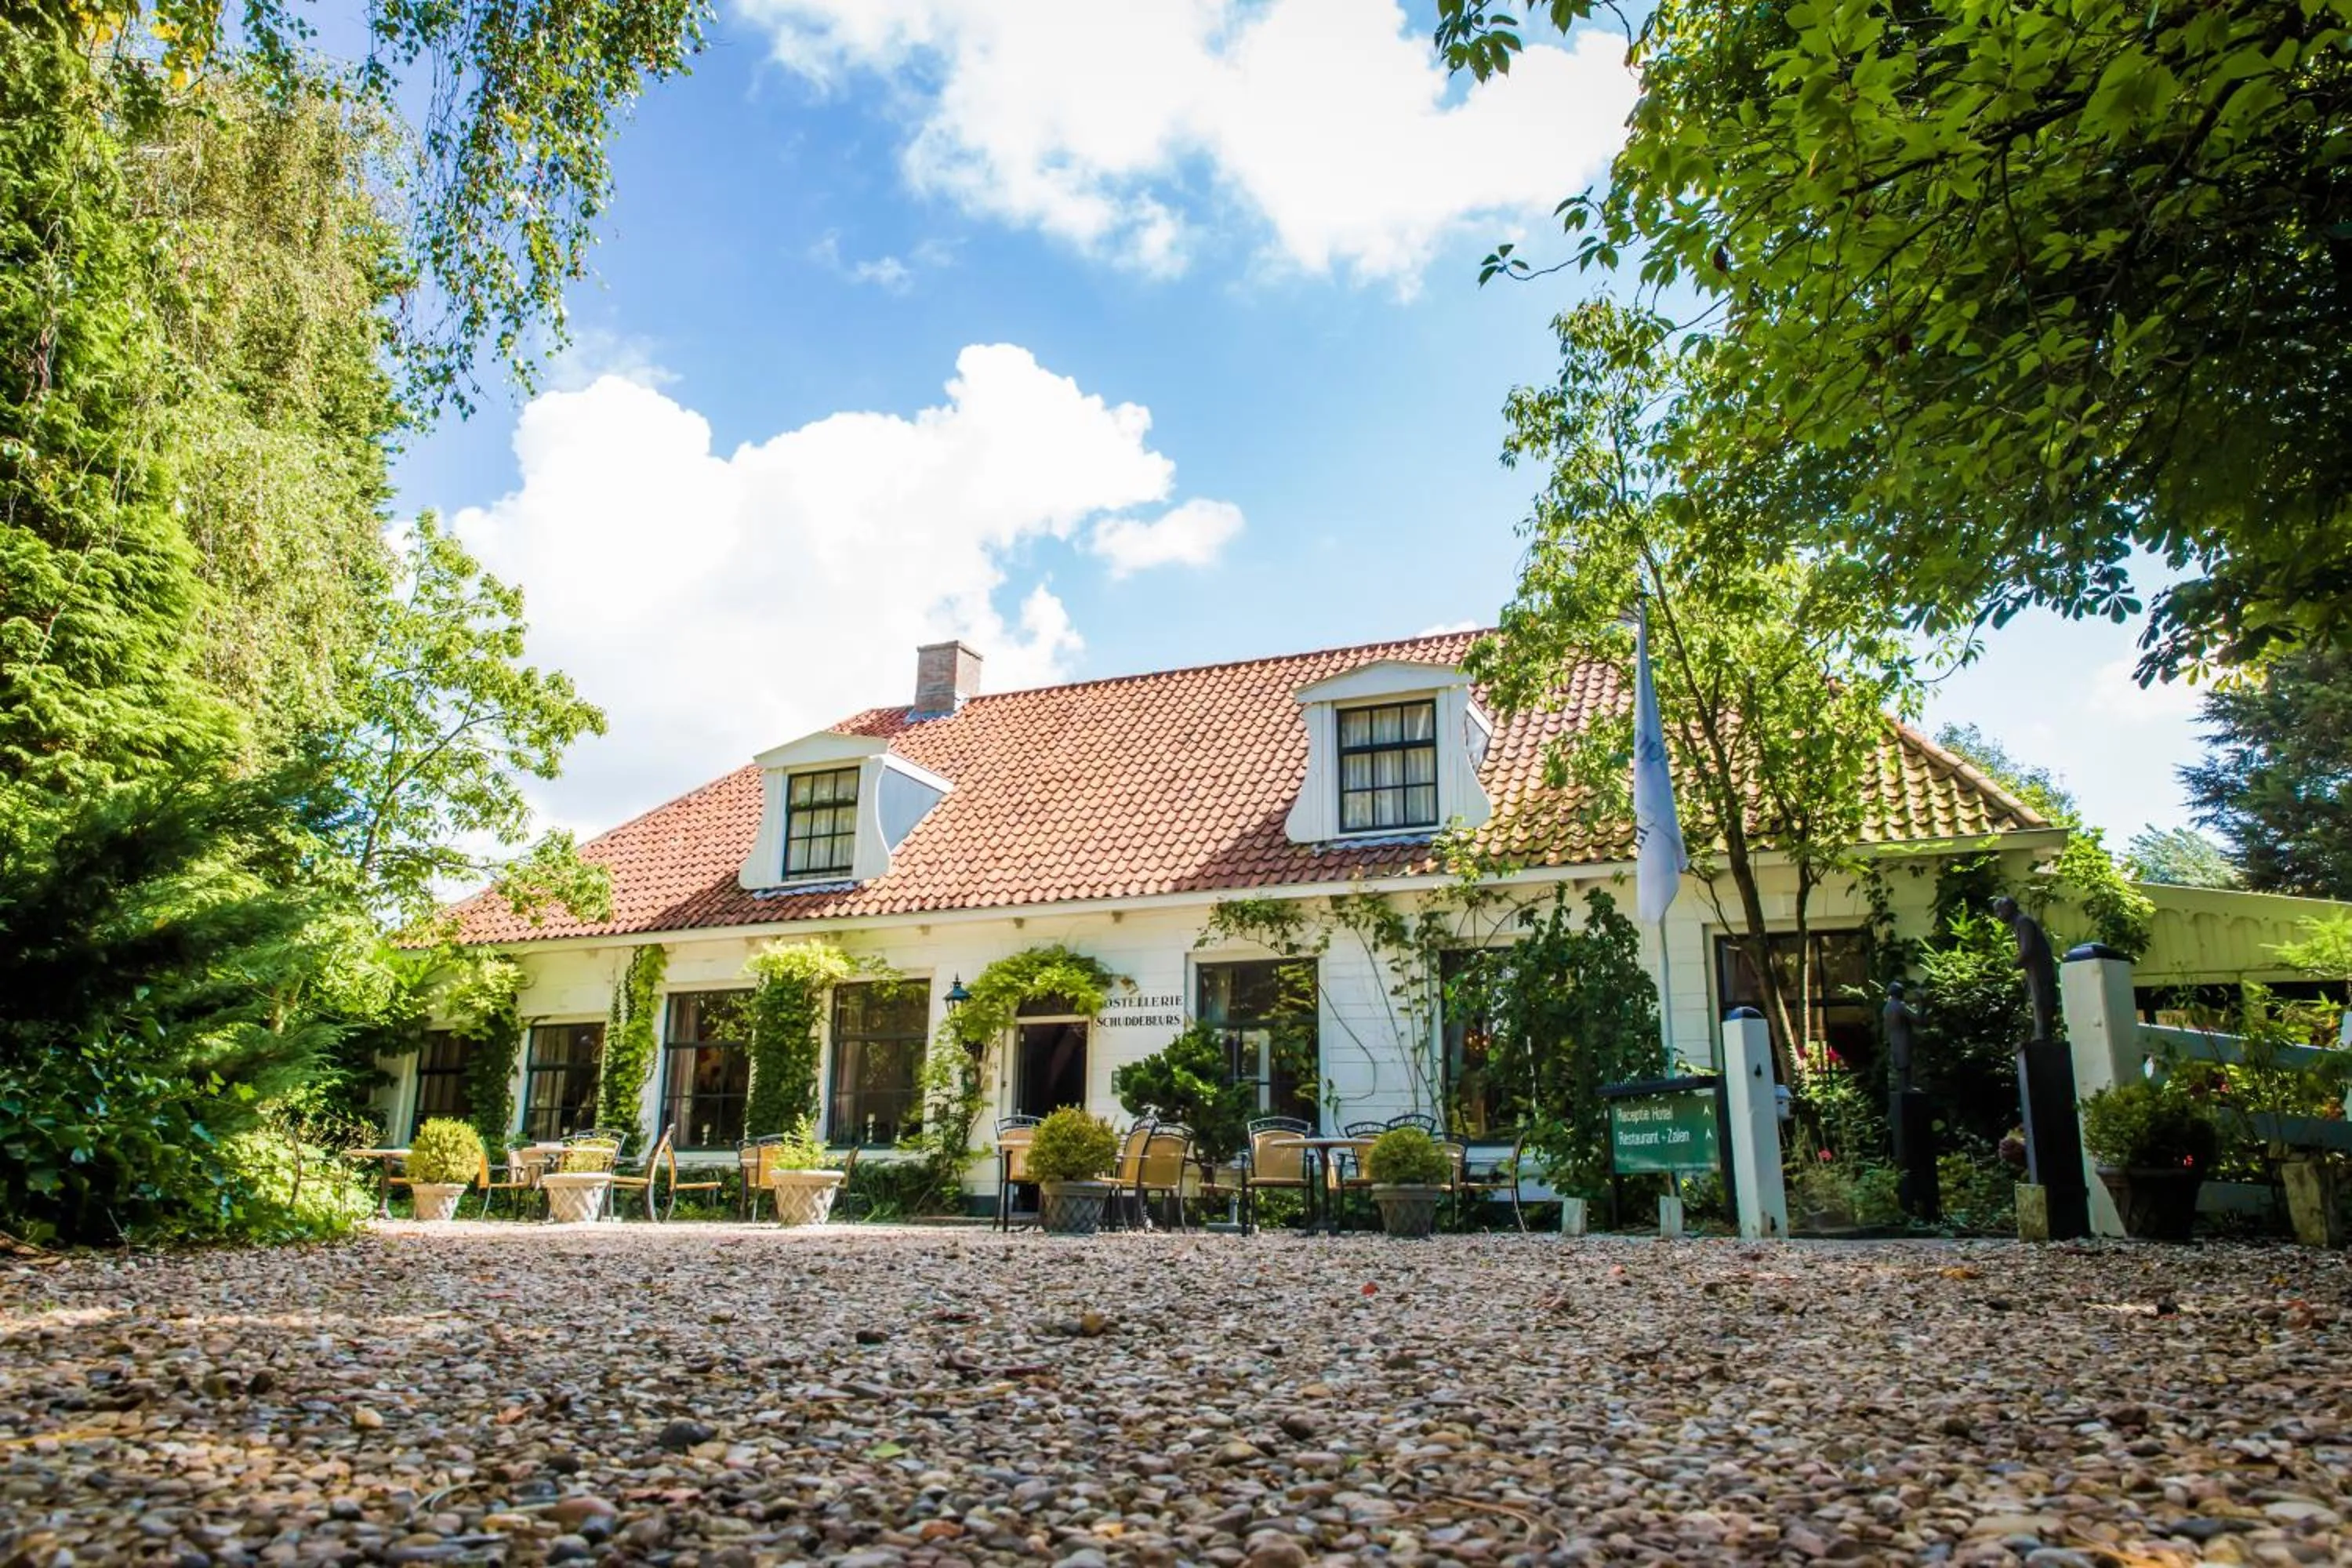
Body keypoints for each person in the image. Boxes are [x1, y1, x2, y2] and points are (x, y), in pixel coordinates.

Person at [1992, 895, 2059, 1042]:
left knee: (2041, 1002)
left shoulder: (2023, 922)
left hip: (2039, 968)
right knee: (2038, 1002)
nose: (1997, 916)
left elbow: (2027, 950)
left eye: (1999, 911)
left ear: (2008, 908)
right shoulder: (2020, 923)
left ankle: (2043, 1039)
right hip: (2035, 968)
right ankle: (2041, 1036)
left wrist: (2012, 965)